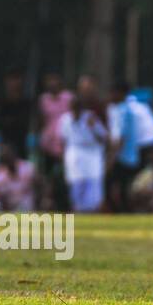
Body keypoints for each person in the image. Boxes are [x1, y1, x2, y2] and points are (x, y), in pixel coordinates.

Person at [106, 82, 153, 212]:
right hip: (143, 151)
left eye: (112, 93)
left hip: (142, 151)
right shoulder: (138, 107)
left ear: (120, 93)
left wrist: (111, 160)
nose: (110, 96)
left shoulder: (126, 109)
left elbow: (121, 138)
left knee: (121, 183)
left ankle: (123, 211)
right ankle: (125, 210)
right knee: (126, 185)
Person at [59, 76, 108, 212]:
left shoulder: (90, 117)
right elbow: (63, 141)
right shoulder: (65, 120)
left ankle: (94, 211)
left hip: (92, 155)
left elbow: (103, 137)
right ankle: (77, 210)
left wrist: (93, 127)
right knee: (77, 186)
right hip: (74, 156)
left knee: (93, 188)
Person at [37, 73, 73, 211]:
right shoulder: (43, 100)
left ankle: (66, 206)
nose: (52, 83)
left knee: (65, 179)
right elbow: (41, 121)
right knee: (48, 179)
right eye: (49, 81)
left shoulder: (69, 98)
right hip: (48, 146)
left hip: (65, 146)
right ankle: (48, 206)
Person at [0, 144, 35, 212]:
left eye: (8, 155)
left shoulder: (27, 167)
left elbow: (35, 184)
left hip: (25, 206)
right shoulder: (1, 173)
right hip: (7, 207)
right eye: (4, 157)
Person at [0, 70, 31, 160]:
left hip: (21, 145)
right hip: (5, 145)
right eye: (12, 79)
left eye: (17, 79)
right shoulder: (1, 101)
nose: (14, 83)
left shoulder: (26, 102)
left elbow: (25, 123)